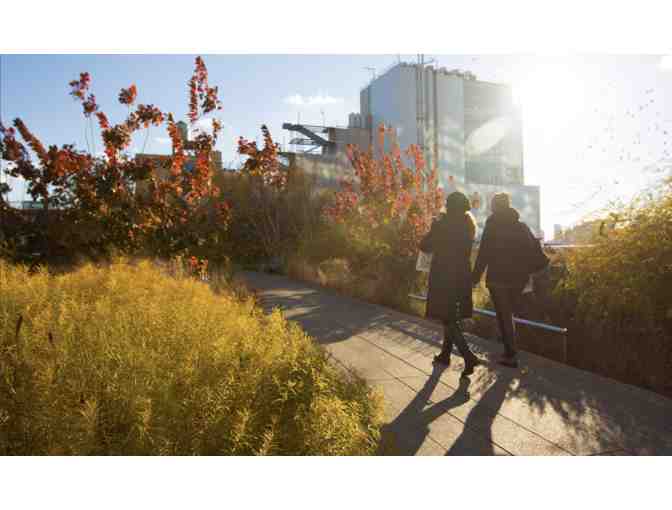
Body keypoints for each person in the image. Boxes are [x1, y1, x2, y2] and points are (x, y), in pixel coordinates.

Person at [472, 192, 545, 368]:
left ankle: (511, 353)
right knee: (508, 314)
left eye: (492, 204)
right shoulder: (521, 227)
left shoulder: (492, 225)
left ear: (495, 206)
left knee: (504, 315)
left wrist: (475, 277)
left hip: (498, 278)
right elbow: (531, 251)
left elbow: (484, 253)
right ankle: (508, 349)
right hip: (517, 279)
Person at [420, 191, 481, 376]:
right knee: (451, 316)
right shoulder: (468, 225)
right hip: (461, 275)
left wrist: (433, 226)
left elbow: (425, 246)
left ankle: (468, 355)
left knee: (447, 318)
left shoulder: (442, 224)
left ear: (449, 206)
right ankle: (445, 355)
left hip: (444, 276)